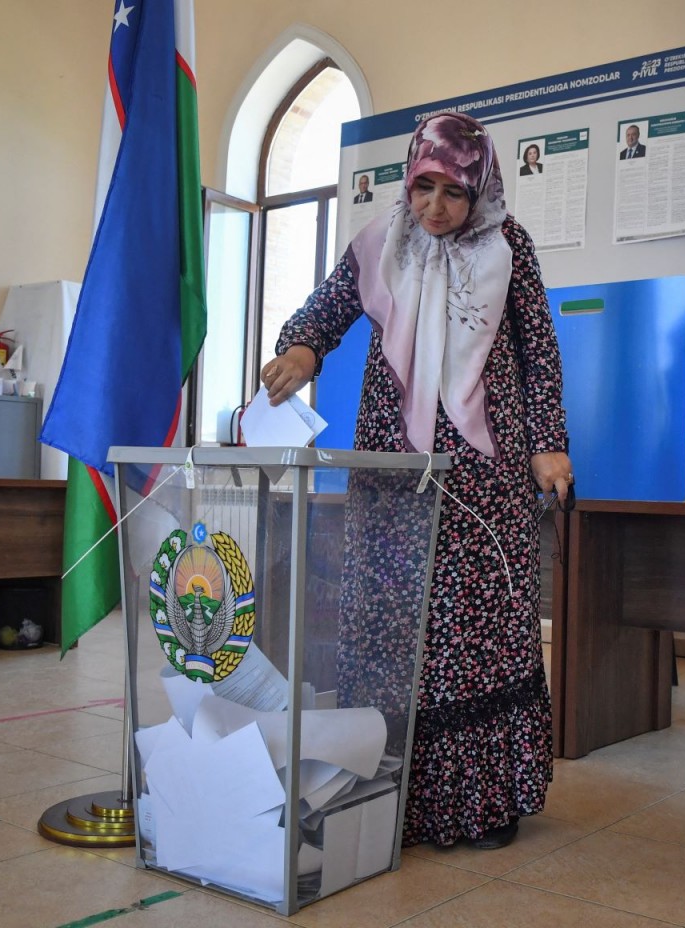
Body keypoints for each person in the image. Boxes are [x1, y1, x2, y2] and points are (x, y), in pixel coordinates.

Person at [261, 111, 572, 850]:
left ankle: (483, 802)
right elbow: (325, 312)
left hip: (483, 470)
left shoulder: (507, 246)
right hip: (391, 471)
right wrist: (302, 351)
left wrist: (548, 446)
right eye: (423, 186)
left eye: (453, 192)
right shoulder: (378, 242)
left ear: (480, 189)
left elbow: (539, 352)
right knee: (393, 619)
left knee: (479, 625)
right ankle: (385, 786)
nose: (435, 205)